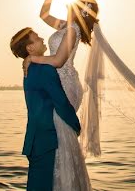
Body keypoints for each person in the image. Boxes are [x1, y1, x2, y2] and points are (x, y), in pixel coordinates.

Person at [23, 0, 100, 190]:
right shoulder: (64, 26)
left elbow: (58, 61)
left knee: (62, 134)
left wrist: (32, 58)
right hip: (58, 81)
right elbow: (43, 14)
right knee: (58, 135)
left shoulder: (73, 30)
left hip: (66, 84)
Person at [10, 27, 81, 191]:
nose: (42, 39)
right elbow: (61, 103)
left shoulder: (30, 69)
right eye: (37, 38)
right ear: (30, 48)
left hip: (36, 141)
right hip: (47, 140)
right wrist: (76, 126)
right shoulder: (44, 69)